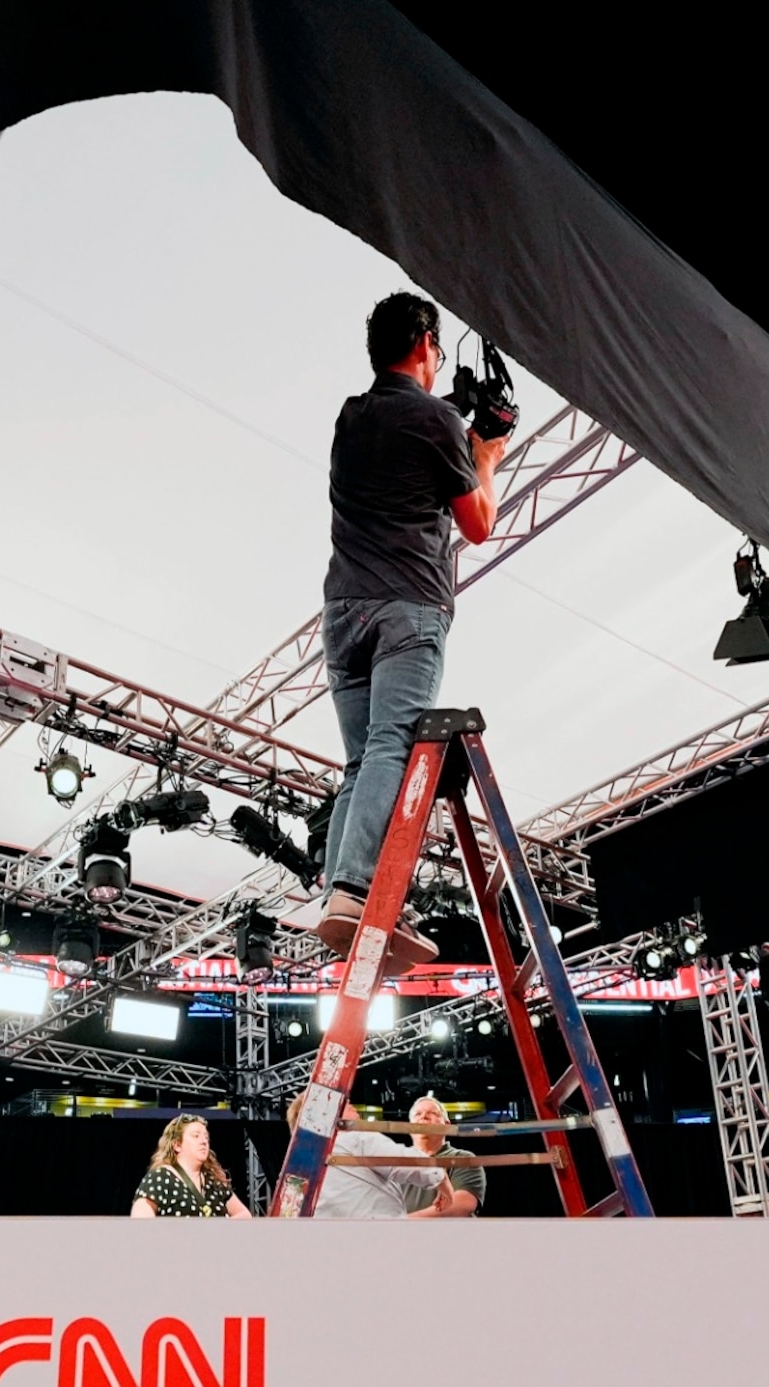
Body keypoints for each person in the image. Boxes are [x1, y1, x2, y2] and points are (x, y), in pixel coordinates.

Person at [304, 292, 507, 967]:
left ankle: (343, 892)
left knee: (361, 762)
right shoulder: (437, 423)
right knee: (392, 747)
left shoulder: (350, 417)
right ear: (425, 343)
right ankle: (361, 888)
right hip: (406, 608)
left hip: (343, 613)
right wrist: (487, 452)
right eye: (439, 347)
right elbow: (478, 524)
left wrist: (452, 411)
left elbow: (408, 420)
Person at [289, 1096, 476, 1219]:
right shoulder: (356, 1138)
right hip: (380, 1240)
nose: (352, 1105)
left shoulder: (299, 1168)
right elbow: (410, 1164)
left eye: (431, 1113)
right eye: (345, 1103)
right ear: (327, 1113)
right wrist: (441, 1177)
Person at [129, 1114, 252, 1218]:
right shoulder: (161, 1177)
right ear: (177, 1145)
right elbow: (141, 1216)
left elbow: (245, 1215)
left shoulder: (214, 1181)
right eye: (196, 1136)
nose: (204, 1141)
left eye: (206, 1137)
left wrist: (219, 1230)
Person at [401, 1093, 486, 1217]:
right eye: (417, 1114)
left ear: (446, 1125)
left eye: (432, 1113)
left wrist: (403, 1222)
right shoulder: (395, 1161)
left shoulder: (462, 1158)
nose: (424, 1116)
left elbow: (462, 1204)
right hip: (399, 1234)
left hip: (447, 1235)